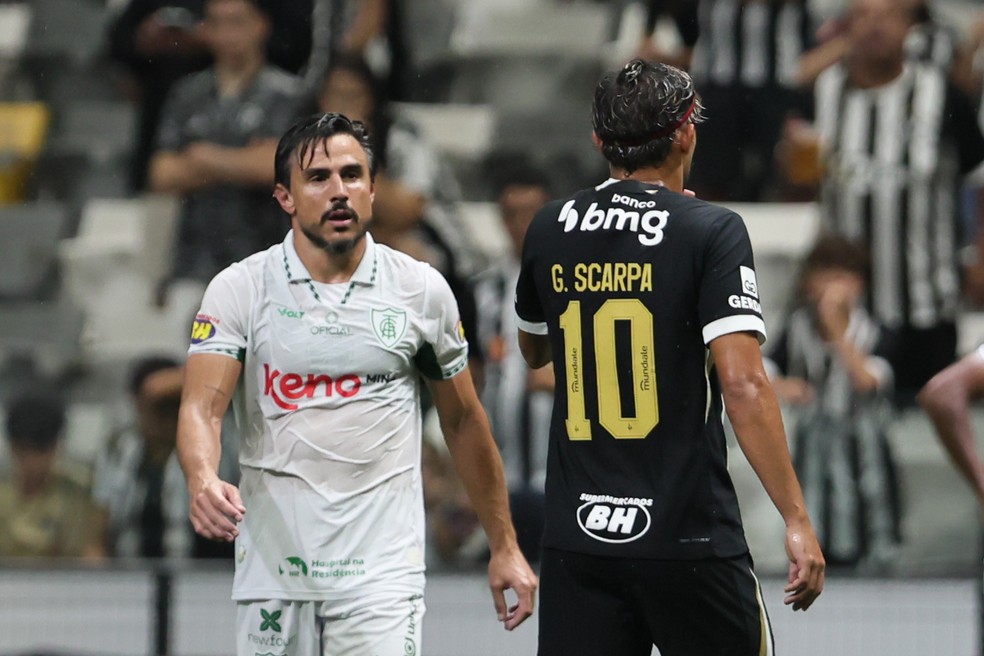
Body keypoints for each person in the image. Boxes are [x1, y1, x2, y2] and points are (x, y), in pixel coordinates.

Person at [176, 112, 536, 654]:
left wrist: (504, 544)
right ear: (285, 197)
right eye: (318, 178)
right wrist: (202, 477)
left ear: (373, 188)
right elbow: (202, 408)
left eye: (352, 174)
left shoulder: (421, 291)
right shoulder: (240, 289)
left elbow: (463, 421)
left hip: (382, 576)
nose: (338, 190)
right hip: (277, 573)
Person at [514, 59, 825, 655]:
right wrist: (796, 519)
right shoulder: (711, 229)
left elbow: (534, 350)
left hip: (579, 539)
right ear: (686, 132)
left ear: (599, 140)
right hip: (687, 535)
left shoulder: (550, 225)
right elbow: (745, 385)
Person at [812, 0, 984, 403]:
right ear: (845, 27)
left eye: (888, 14)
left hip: (927, 298)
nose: (875, 26)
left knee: (932, 422)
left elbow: (979, 177)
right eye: (863, 15)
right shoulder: (825, 90)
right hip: (850, 306)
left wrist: (979, 252)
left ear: (909, 26)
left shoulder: (942, 95)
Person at [766, 236, 901, 570]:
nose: (833, 286)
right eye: (825, 275)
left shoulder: (875, 329)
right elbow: (765, 368)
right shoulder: (796, 326)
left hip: (863, 443)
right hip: (811, 442)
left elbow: (870, 380)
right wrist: (785, 386)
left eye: (844, 276)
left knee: (868, 502)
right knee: (812, 498)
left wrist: (837, 330)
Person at [149, 0, 302, 287]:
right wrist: (243, 161)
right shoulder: (187, 94)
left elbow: (280, 169)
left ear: (261, 26)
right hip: (194, 261)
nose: (227, 34)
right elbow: (162, 174)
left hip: (265, 261)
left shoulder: (289, 95)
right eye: (217, 24)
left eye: (237, 22)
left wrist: (203, 158)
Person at [474, 161, 554, 563]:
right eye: (512, 214)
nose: (522, 224)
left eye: (533, 213)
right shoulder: (485, 290)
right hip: (501, 469)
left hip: (558, 474)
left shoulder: (578, 284)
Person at [0, 392, 103, 559]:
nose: (33, 461)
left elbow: (89, 553)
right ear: (12, 447)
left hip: (61, 582)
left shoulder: (79, 494)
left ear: (56, 446)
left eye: (41, 450)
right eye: (24, 450)